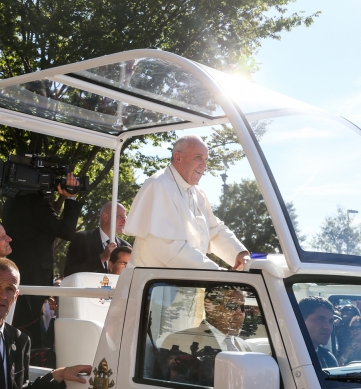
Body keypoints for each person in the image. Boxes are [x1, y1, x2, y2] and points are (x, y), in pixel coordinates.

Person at [124, 136, 250, 270]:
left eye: (205, 160)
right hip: (151, 287)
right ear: (178, 157)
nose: (204, 165)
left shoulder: (198, 193)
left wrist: (239, 254)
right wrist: (218, 274)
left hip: (182, 284)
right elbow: (171, 249)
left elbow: (215, 231)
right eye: (198, 158)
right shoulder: (158, 185)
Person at [2, 173, 82, 349]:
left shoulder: (11, 202)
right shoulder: (36, 203)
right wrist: (71, 197)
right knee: (30, 336)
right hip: (33, 280)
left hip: (18, 275)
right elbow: (67, 231)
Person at [0, 257, 92, 388]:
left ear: (16, 296)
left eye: (9, 289)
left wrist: (59, 374)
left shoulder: (19, 340)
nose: (3, 295)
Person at [153, 285, 251, 386]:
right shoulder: (177, 341)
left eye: (243, 307)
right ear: (210, 307)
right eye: (232, 306)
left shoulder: (244, 346)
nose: (240, 313)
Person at [64, 201, 131, 276]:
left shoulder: (125, 246)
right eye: (120, 216)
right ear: (105, 217)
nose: (124, 221)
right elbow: (69, 272)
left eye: (125, 217)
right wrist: (102, 258)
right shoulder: (81, 239)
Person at [299, 296, 338, 368]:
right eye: (320, 319)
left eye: (331, 321)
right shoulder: (288, 356)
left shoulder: (328, 358)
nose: (328, 327)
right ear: (300, 321)